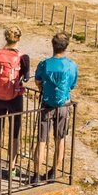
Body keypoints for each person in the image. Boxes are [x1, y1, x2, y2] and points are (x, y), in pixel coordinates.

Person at [32, 32, 77, 184]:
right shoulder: (71, 65)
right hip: (64, 105)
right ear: (66, 47)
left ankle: (36, 174)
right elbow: (72, 84)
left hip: (46, 104)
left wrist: (42, 89)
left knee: (41, 141)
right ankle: (54, 173)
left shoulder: (44, 64)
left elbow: (37, 80)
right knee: (60, 139)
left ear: (53, 45)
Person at [0, 26, 31, 179]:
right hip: (15, 98)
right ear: (19, 38)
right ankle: (12, 168)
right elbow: (26, 77)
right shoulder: (23, 57)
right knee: (15, 133)